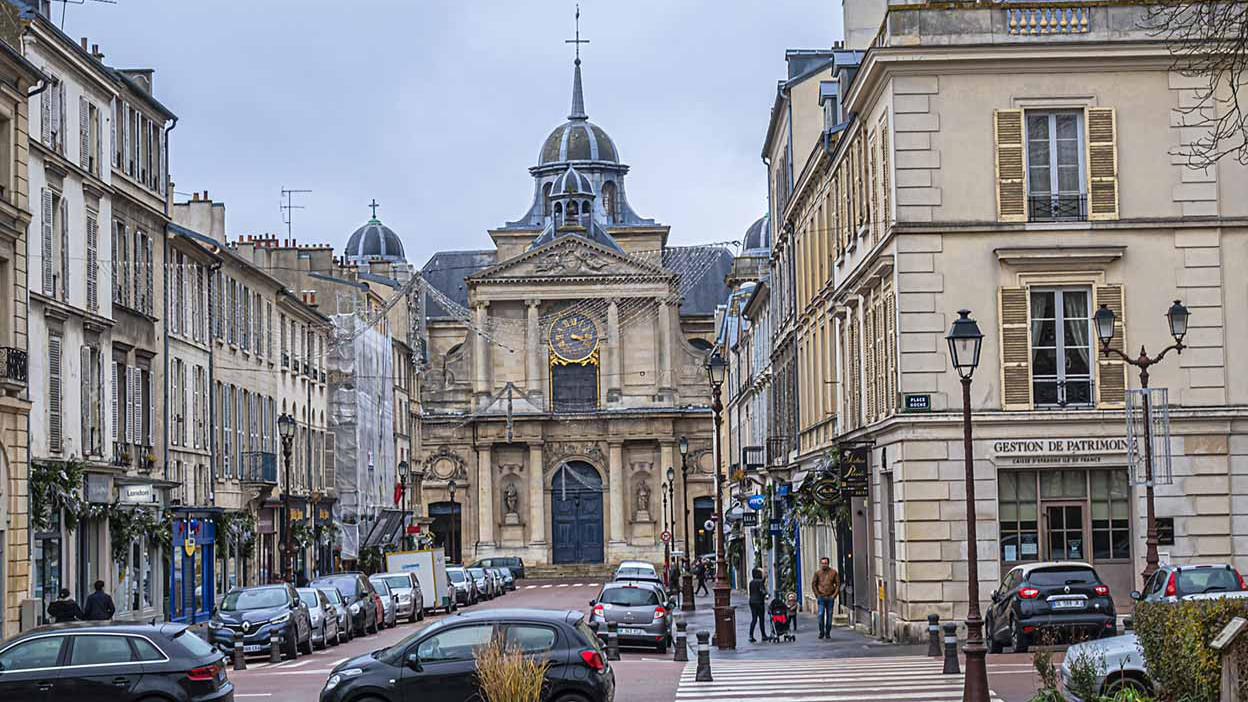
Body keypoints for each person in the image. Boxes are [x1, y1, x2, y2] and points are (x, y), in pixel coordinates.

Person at [811, 557, 841, 639]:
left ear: (828, 564)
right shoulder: (817, 573)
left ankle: (828, 632)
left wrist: (834, 595)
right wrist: (817, 595)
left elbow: (838, 584)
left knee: (829, 615)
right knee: (820, 614)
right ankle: (821, 631)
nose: (824, 565)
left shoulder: (833, 572)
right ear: (820, 564)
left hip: (830, 596)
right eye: (822, 563)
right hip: (821, 596)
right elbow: (813, 584)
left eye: (825, 563)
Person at [747, 568, 767, 643]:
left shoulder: (751, 582)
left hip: (752, 602)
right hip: (759, 602)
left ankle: (751, 635)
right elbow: (762, 590)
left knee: (754, 619)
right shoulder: (760, 582)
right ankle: (763, 635)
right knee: (761, 619)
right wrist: (766, 594)